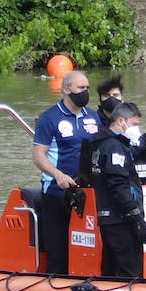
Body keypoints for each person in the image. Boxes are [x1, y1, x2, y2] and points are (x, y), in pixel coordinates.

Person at [32, 70, 100, 275]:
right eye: (81, 88)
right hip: (57, 193)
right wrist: (58, 175)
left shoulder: (94, 117)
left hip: (89, 194)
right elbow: (38, 156)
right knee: (58, 251)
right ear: (66, 90)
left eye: (87, 88)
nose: (85, 92)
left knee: (89, 248)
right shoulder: (49, 118)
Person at [88, 102, 146, 279]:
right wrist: (136, 217)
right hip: (121, 219)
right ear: (120, 121)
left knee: (110, 268)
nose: (137, 129)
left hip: (109, 218)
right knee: (130, 272)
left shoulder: (100, 144)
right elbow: (118, 183)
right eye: (134, 124)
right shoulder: (114, 146)